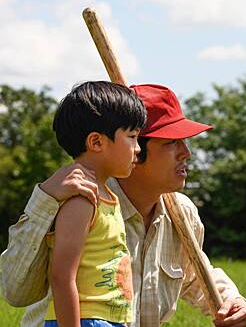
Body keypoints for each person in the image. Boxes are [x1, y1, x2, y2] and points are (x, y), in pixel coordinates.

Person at [0, 83, 246, 327]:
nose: (186, 153)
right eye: (170, 143)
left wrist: (231, 300)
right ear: (136, 149)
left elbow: (194, 275)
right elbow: (16, 291)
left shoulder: (183, 213)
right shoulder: (81, 199)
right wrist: (44, 200)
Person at [44, 81, 147, 327]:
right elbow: (61, 276)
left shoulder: (107, 196)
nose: (138, 148)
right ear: (97, 142)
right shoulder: (81, 200)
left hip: (108, 320)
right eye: (132, 137)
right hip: (86, 319)